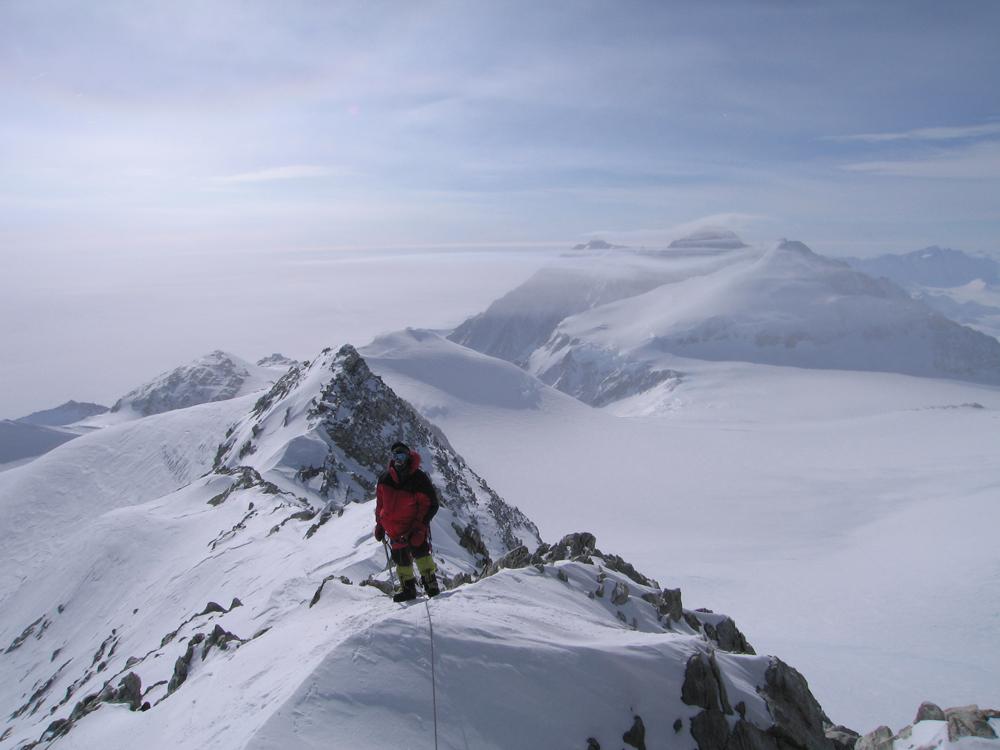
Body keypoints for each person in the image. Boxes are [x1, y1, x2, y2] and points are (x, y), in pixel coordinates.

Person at [374, 442, 441, 602]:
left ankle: (431, 586)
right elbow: (380, 504)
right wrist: (379, 525)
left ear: (408, 457)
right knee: (401, 559)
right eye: (395, 455)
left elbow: (431, 504)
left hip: (413, 527)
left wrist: (419, 527)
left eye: (401, 455)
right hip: (394, 530)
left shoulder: (418, 479)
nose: (397, 459)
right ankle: (408, 590)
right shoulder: (384, 479)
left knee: (421, 554)